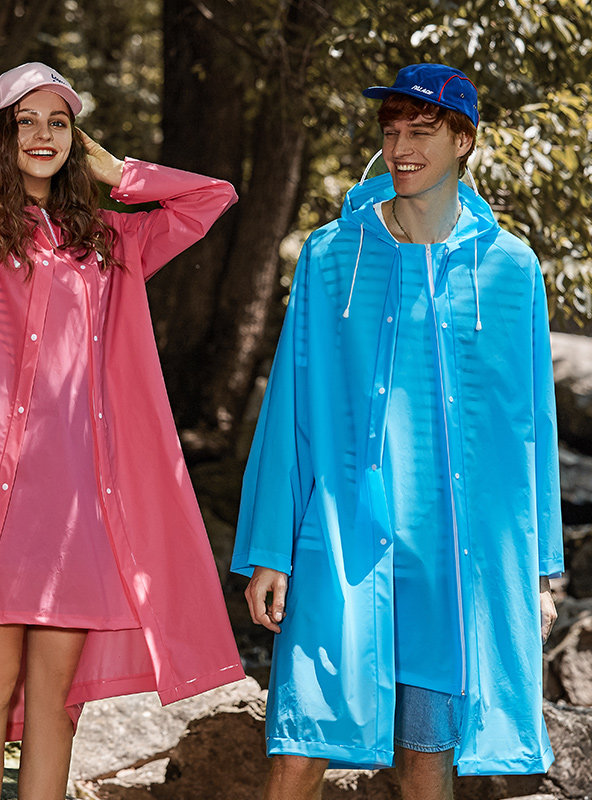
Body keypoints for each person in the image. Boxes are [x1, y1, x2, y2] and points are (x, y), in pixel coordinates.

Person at [0, 61, 244, 800]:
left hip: (75, 510)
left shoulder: (104, 239)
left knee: (55, 699)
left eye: (60, 123)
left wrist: (120, 174)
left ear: (78, 137)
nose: (44, 135)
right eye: (27, 120)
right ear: (2, 132)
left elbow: (210, 197)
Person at [231, 63, 562, 800]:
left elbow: (533, 428)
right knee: (300, 741)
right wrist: (269, 550)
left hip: (454, 561)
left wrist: (541, 571)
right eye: (392, 131)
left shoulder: (512, 270)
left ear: (463, 140)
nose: (401, 147)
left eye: (422, 132)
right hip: (342, 541)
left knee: (426, 757)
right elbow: (288, 409)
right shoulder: (330, 257)